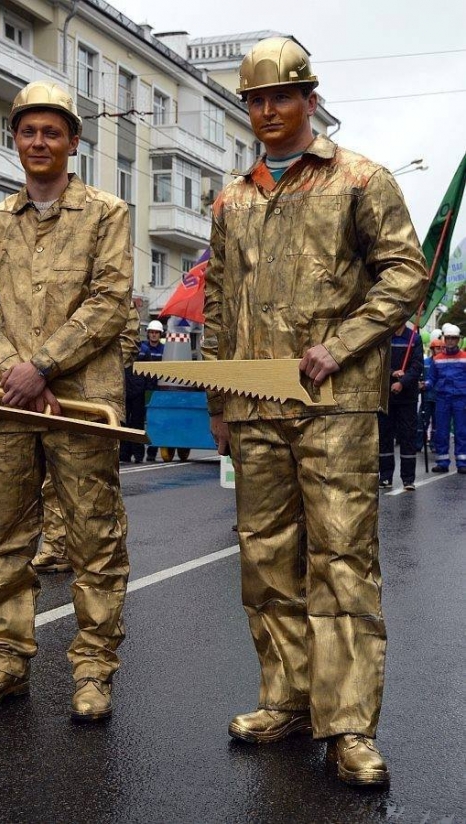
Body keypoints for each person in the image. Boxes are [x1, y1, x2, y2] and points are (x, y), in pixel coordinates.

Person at [203, 37, 428, 787]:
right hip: (254, 403)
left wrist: (343, 344)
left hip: (336, 403)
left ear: (309, 99)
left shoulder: (361, 178)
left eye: (281, 97)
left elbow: (406, 274)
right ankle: (288, 701)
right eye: (255, 100)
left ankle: (350, 725)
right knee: (266, 561)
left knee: (341, 564)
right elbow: (216, 303)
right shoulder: (232, 198)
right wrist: (217, 399)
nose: (267, 111)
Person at [0, 81, 133, 720]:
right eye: (28, 131)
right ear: (15, 139)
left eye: (51, 132)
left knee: (93, 539)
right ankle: (5, 662)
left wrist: (43, 366)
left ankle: (92, 671)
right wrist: (13, 369)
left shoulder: (107, 213)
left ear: (72, 143)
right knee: (3, 535)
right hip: (8, 404)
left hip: (81, 406)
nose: (39, 142)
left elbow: (111, 301)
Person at [33, 302, 140, 574]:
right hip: (57, 393)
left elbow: (126, 340)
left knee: (99, 487)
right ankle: (57, 546)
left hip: (96, 399)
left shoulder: (110, 293)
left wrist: (102, 373)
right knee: (53, 479)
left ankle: (108, 552)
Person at [377, 323, 424, 490]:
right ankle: (385, 477)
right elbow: (378, 362)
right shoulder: (384, 336)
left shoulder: (414, 338)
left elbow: (417, 366)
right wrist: (391, 373)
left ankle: (408, 479)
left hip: (407, 397)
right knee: (384, 437)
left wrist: (402, 382)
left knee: (408, 437)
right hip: (387, 396)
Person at [120, 319, 164, 463]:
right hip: (125, 392)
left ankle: (138, 454)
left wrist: (149, 392)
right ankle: (124, 454)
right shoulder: (122, 349)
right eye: (151, 332)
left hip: (139, 393)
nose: (153, 335)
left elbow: (150, 375)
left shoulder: (144, 351)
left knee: (138, 424)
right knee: (124, 423)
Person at [425, 323, 466, 474]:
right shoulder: (438, 359)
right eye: (448, 338)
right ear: (444, 339)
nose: (450, 341)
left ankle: (462, 462)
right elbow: (432, 379)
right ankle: (442, 462)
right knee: (441, 431)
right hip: (442, 398)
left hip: (461, 399)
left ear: (458, 340)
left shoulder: (465, 357)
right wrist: (424, 385)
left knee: (462, 431)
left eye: (453, 339)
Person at [417, 337, 442, 452]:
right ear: (432, 349)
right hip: (427, 396)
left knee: (437, 424)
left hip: (439, 397)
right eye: (438, 348)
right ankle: (418, 444)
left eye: (442, 348)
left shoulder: (443, 363)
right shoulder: (425, 363)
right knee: (422, 421)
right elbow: (420, 376)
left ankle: (434, 444)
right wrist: (420, 383)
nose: (440, 350)